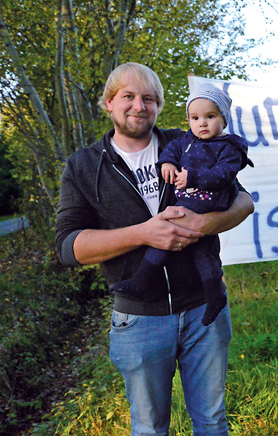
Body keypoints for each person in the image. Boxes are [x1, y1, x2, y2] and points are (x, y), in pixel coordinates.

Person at [55, 62, 254, 436]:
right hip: (139, 319)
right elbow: (69, 247)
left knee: (212, 420)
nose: (139, 106)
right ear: (109, 103)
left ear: (159, 106)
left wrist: (204, 224)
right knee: (149, 428)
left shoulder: (191, 140)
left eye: (149, 98)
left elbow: (243, 201)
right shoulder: (83, 166)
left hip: (203, 310)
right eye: (128, 96)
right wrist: (144, 234)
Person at [112, 84, 252, 326]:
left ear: (224, 120)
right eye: (196, 118)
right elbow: (171, 150)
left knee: (169, 230)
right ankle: (214, 294)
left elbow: (225, 175)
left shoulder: (229, 147)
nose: (202, 124)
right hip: (189, 200)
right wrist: (166, 163)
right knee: (201, 252)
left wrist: (193, 177)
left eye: (210, 117)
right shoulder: (186, 140)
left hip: (212, 202)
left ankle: (142, 281)